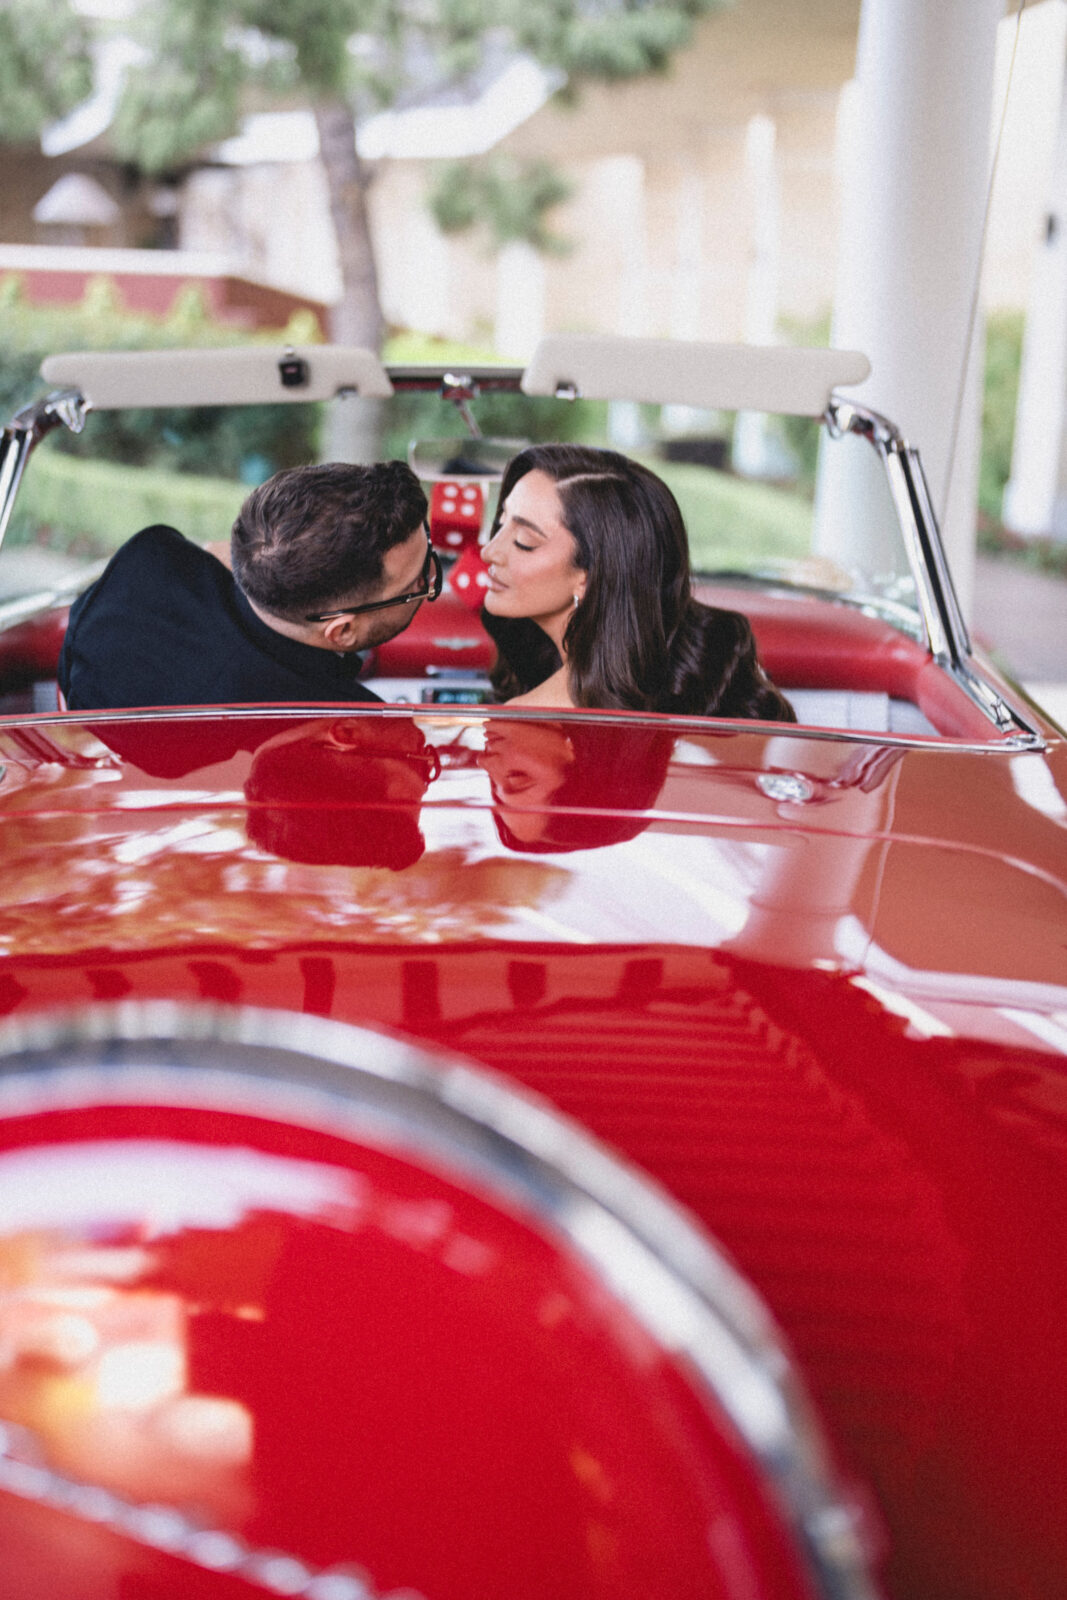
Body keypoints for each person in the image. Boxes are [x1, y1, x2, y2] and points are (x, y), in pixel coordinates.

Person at [58, 460, 438, 711]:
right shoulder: (351, 721)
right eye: (419, 583)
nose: (430, 578)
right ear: (341, 630)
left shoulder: (145, 562)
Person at [480, 443, 795, 720]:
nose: (489, 550)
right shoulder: (704, 678)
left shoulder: (528, 718)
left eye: (524, 540)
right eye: (501, 522)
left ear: (589, 578)